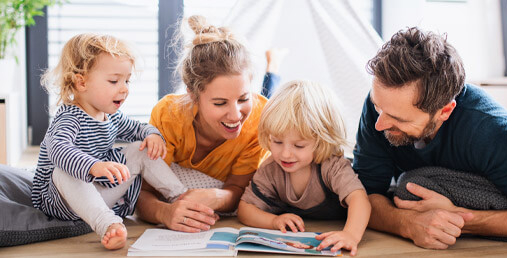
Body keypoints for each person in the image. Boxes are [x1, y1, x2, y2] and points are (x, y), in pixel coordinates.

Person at [353, 27, 507, 249]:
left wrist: (459, 219)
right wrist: (406, 224)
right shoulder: (382, 106)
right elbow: (362, 196)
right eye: (377, 106)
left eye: (397, 118)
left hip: (498, 163)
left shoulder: (490, 131)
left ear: (445, 111)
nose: (379, 124)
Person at [31, 33, 186, 250]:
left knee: (139, 149)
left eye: (127, 80)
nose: (124, 89)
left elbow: (138, 128)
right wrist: (93, 166)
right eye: (114, 81)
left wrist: (152, 135)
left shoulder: (111, 116)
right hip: (62, 200)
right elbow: (58, 149)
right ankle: (108, 223)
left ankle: (180, 195)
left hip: (99, 193)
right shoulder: (69, 118)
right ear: (81, 81)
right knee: (62, 171)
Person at [135, 15, 282, 232]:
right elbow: (142, 193)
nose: (235, 115)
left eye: (243, 98)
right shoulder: (169, 116)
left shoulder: (258, 120)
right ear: (193, 96)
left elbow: (239, 190)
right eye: (220, 103)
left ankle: (274, 65)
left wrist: (217, 196)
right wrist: (164, 212)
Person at [237, 80, 371, 256]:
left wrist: (350, 235)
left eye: (299, 146)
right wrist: (274, 221)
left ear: (321, 142)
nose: (285, 154)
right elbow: (245, 209)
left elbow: (360, 200)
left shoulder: (332, 165)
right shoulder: (271, 168)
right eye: (277, 141)